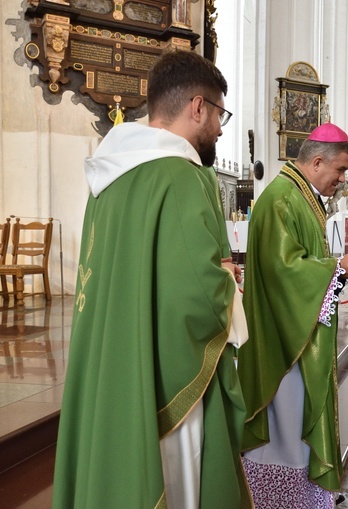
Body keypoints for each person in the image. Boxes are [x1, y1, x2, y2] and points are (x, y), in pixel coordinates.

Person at [53, 50, 251, 508]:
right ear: (198, 107)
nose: (221, 128)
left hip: (112, 358)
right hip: (163, 366)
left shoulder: (110, 176)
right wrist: (227, 284)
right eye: (220, 114)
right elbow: (197, 294)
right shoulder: (179, 175)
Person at [237, 123, 348, 508]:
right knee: (286, 426)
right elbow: (286, 271)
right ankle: (280, 500)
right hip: (283, 344)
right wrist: (337, 269)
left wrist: (335, 269)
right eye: (340, 171)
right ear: (317, 162)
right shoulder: (282, 199)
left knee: (295, 423)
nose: (343, 180)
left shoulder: (299, 196)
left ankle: (306, 497)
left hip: (298, 330)